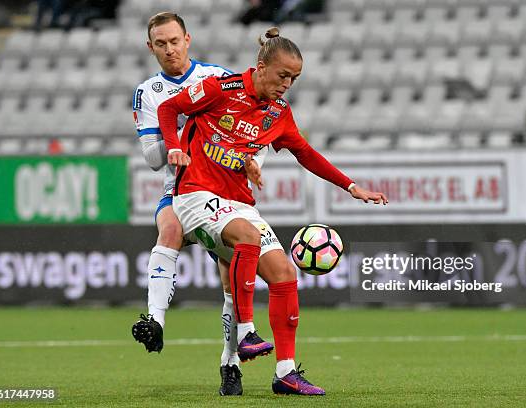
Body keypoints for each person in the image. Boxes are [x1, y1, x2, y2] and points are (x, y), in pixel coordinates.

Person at [157, 27, 388, 395]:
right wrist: (173, 147)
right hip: (195, 195)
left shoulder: (278, 112)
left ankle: (285, 372)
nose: (287, 85)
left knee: (283, 272)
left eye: (294, 79)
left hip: (238, 203)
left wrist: (351, 186)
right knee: (247, 238)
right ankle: (247, 332)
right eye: (283, 76)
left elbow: (306, 153)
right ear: (261, 67)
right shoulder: (221, 88)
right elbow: (169, 108)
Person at [130, 12, 271, 396]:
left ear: (187, 39)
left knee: (230, 277)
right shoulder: (148, 92)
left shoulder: (216, 77)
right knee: (170, 227)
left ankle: (230, 364)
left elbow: (250, 132)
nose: (169, 49)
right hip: (178, 189)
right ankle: (155, 321)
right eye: (161, 43)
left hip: (221, 189)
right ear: (151, 47)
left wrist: (250, 159)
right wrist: (186, 130)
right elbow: (153, 158)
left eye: (175, 41)